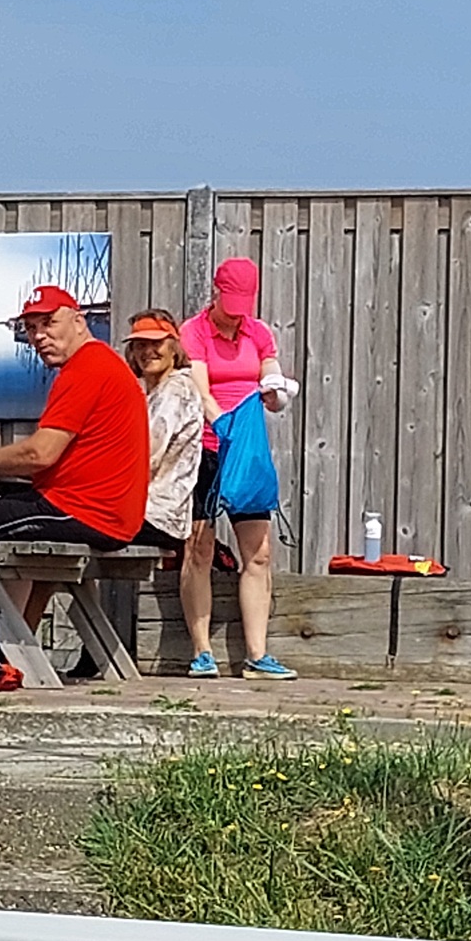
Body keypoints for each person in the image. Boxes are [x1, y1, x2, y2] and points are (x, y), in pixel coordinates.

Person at [0, 284, 148, 631]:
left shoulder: (86, 369)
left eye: (49, 323)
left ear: (79, 322)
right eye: (32, 327)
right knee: (7, 527)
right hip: (104, 510)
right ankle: (3, 648)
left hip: (87, 512)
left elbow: (40, 453)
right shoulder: (100, 364)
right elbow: (57, 458)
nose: (39, 336)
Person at [179, 257, 298, 680]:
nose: (234, 310)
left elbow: (270, 375)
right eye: (229, 300)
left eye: (242, 302)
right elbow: (200, 389)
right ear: (215, 292)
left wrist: (275, 392)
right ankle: (202, 651)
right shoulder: (193, 332)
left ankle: (257, 655)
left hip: (247, 452)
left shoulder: (259, 331)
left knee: (260, 554)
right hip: (207, 449)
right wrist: (220, 423)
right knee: (200, 549)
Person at [123, 309, 204, 552]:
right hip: (150, 513)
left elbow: (147, 455)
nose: (148, 351)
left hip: (155, 515)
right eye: (140, 344)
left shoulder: (176, 390)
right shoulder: (154, 394)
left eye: (156, 343)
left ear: (174, 348)